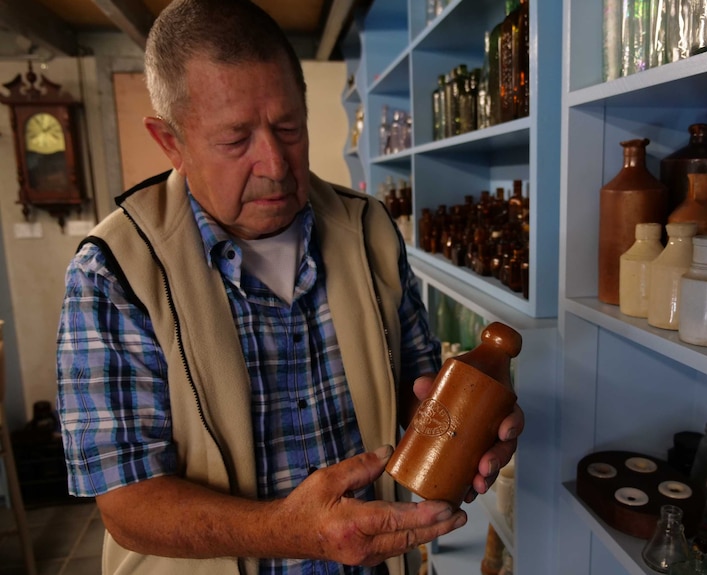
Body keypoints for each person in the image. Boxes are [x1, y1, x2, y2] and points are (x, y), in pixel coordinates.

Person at [55, 1, 523, 574]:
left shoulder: (368, 228)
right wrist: (288, 533)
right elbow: (127, 505)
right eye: (235, 140)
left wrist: (465, 425)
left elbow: (414, 385)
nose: (274, 163)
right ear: (171, 142)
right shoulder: (114, 271)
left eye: (289, 128)